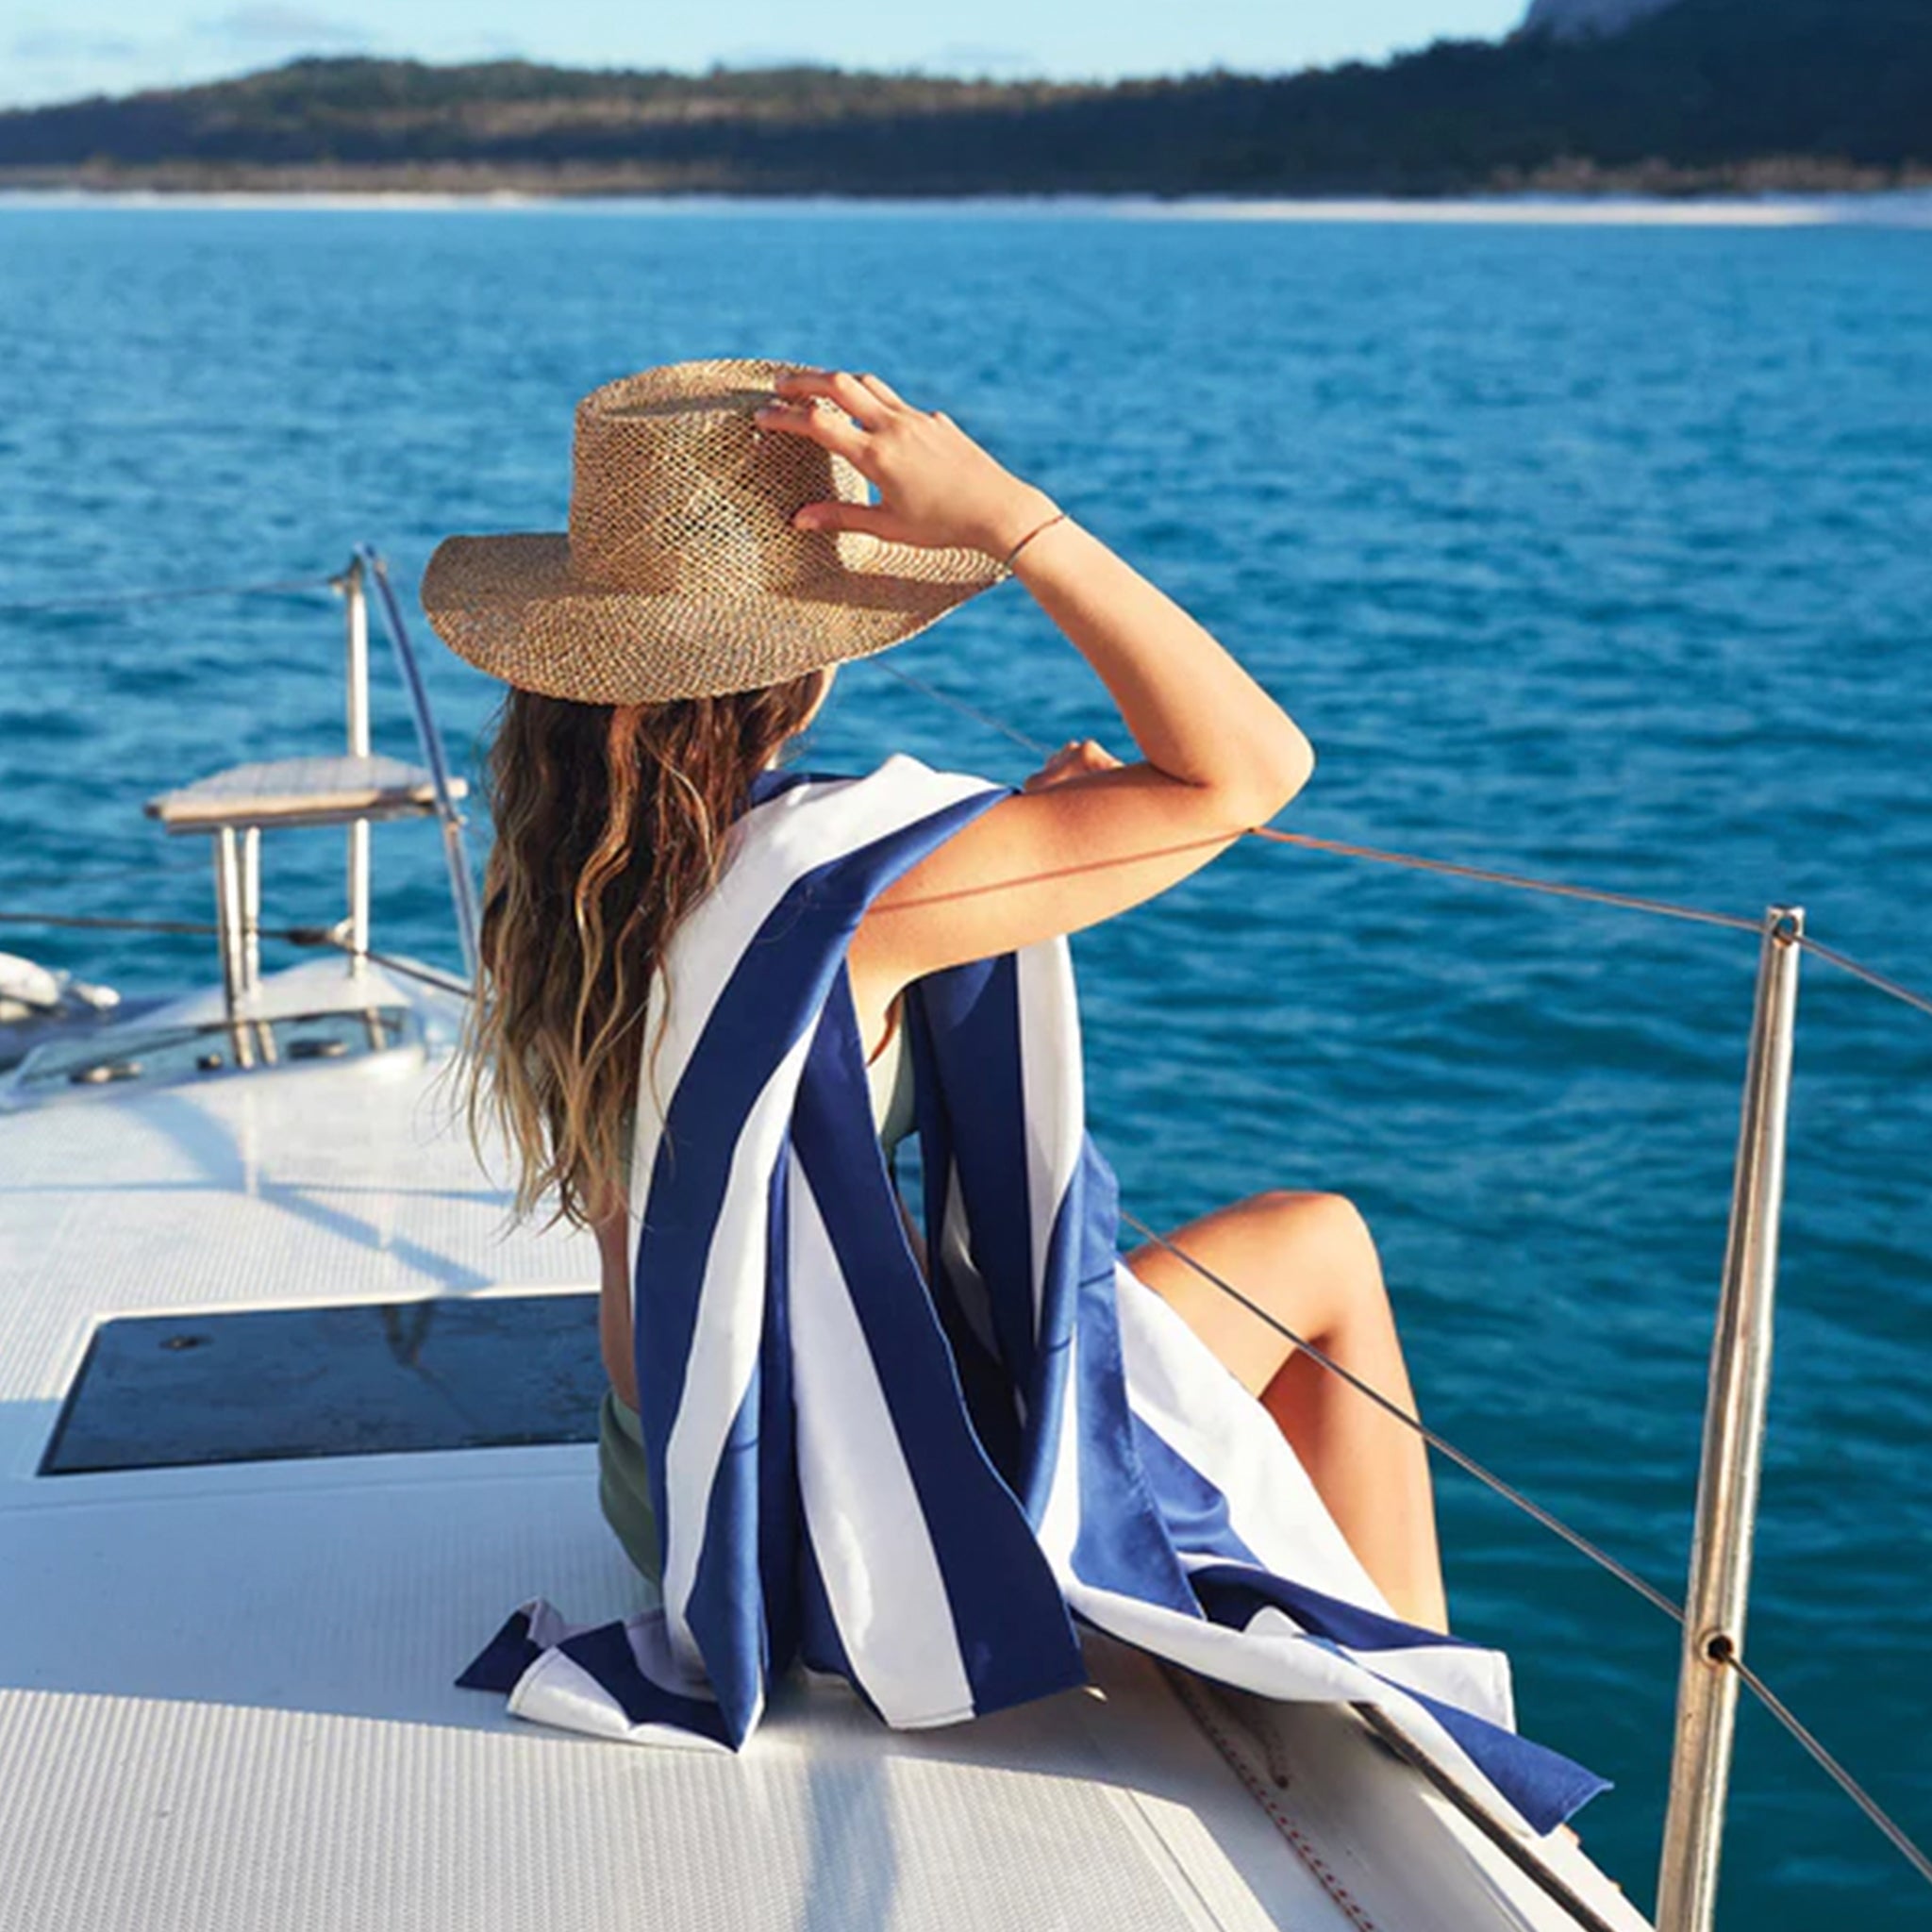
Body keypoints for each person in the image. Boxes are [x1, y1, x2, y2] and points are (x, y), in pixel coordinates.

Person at [435, 358, 1447, 1640]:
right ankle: (1426, 1712)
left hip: (674, 1478)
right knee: (1323, 1245)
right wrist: (1018, 522)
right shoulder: (839, 898)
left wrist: (1011, 850)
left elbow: (783, 1055)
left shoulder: (574, 879)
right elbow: (1253, 770)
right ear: (802, 672)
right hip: (831, 1515)